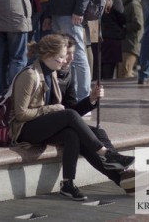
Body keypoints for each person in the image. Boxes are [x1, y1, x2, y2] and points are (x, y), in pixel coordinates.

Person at [9, 34, 133, 201]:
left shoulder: (52, 73)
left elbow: (69, 113)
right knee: (69, 116)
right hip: (24, 129)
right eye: (61, 56)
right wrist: (51, 108)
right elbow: (20, 114)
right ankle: (107, 154)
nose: (64, 60)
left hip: (41, 124)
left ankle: (76, 183)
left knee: (76, 134)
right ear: (48, 55)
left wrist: (91, 100)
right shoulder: (30, 75)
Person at [57, 36, 136, 192]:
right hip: (46, 124)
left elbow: (73, 110)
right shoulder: (43, 74)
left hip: (64, 121)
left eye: (73, 53)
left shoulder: (67, 73)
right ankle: (119, 170)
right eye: (67, 54)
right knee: (81, 137)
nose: (71, 58)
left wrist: (91, 99)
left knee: (97, 133)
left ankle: (122, 177)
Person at [117, 0, 144, 78]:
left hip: (131, 44)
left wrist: (123, 27)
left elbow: (138, 24)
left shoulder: (134, 4)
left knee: (125, 73)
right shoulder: (128, 3)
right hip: (127, 43)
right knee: (123, 72)